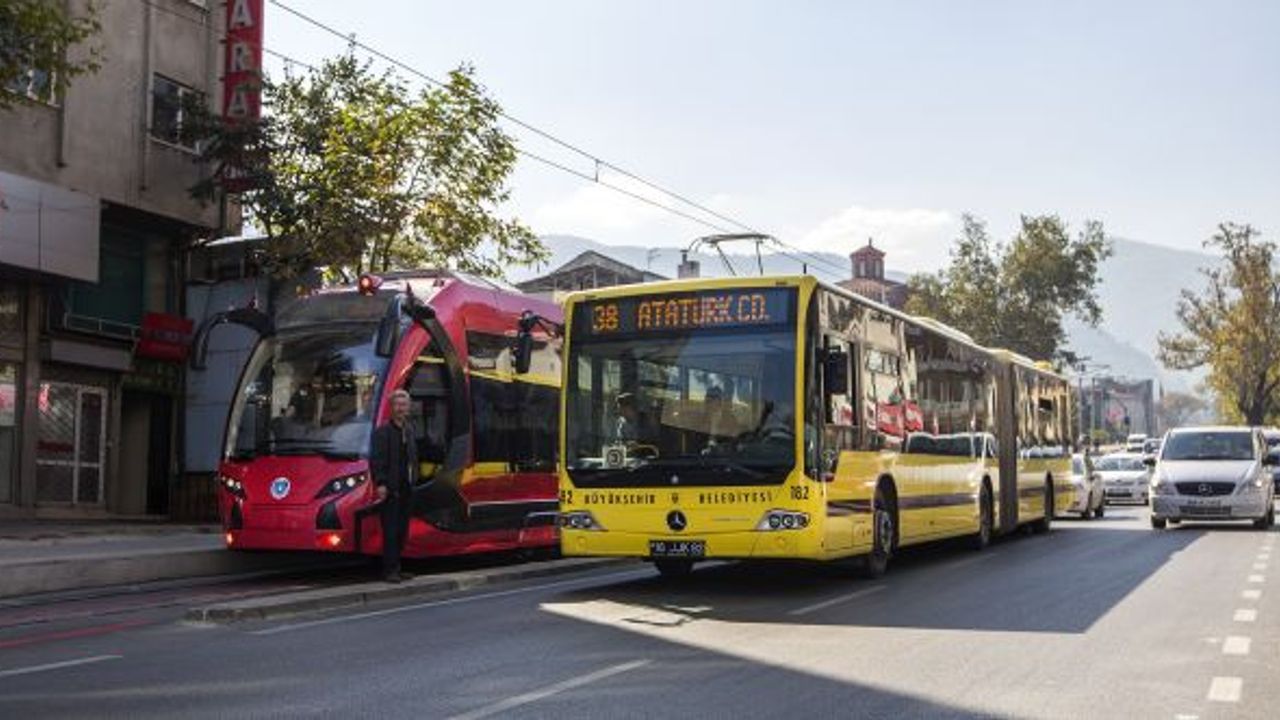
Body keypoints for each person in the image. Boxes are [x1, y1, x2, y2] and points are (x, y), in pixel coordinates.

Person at [370, 388, 418, 583]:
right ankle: (389, 570)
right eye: (397, 405)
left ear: (408, 408)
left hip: (406, 487)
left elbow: (413, 457)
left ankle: (397, 567)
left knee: (401, 531)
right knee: (390, 531)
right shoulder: (383, 432)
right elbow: (377, 460)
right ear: (391, 408)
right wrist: (380, 483)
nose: (400, 408)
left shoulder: (409, 430)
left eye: (404, 405)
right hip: (390, 488)